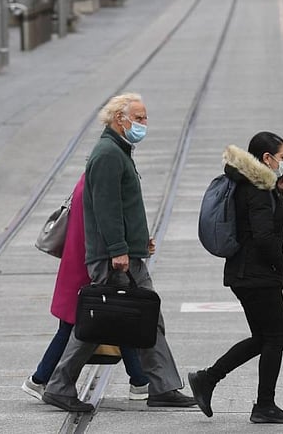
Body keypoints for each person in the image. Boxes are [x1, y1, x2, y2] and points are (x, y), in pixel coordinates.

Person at [41, 93, 197, 413]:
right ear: (119, 120)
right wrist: (118, 250)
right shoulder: (108, 153)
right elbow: (106, 208)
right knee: (99, 322)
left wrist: (140, 241)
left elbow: (125, 208)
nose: (144, 124)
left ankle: (162, 386)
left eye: (144, 118)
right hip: (113, 256)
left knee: (148, 318)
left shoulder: (119, 151)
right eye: (138, 118)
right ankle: (59, 385)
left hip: (126, 252)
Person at [188, 132, 283, 425]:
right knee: (276, 337)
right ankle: (264, 405)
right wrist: (281, 263)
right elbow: (263, 236)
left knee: (264, 337)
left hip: (244, 272)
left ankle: (207, 379)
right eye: (282, 156)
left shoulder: (249, 182)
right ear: (267, 158)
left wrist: (279, 193)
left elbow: (252, 221)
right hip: (257, 274)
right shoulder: (259, 189)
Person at [21, 173, 150, 403]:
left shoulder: (86, 181)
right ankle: (39, 379)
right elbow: (105, 226)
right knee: (78, 325)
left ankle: (139, 381)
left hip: (79, 262)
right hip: (87, 266)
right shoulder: (98, 185)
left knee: (114, 319)